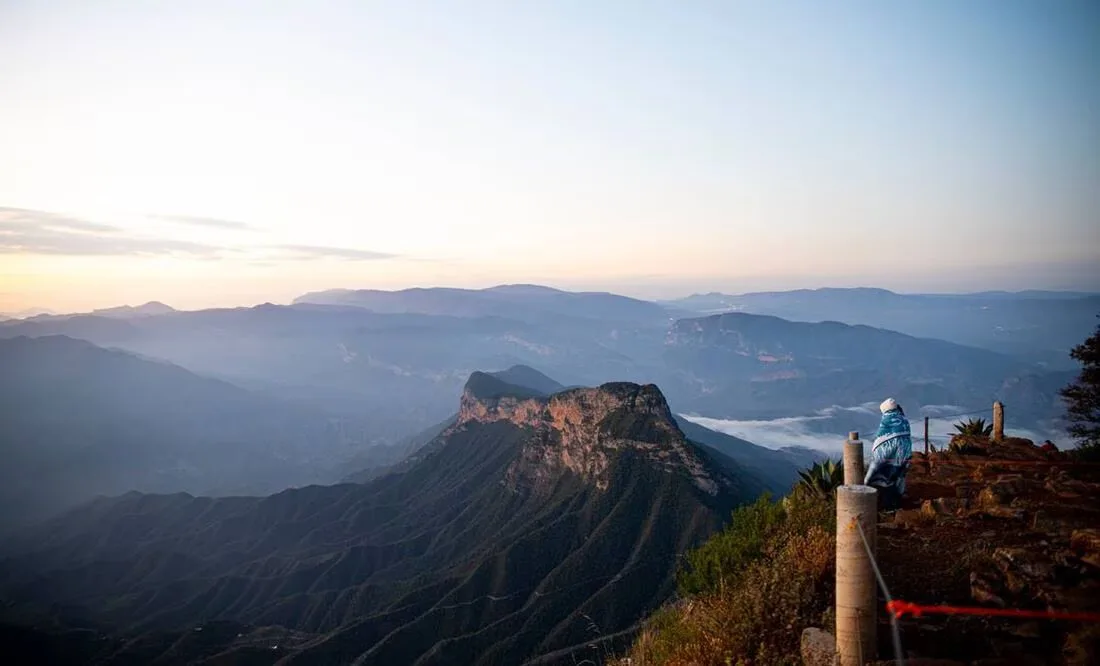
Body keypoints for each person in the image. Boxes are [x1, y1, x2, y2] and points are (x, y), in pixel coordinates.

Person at [864, 398, 912, 510]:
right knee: (897, 476)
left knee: (880, 475)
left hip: (888, 454)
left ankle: (882, 504)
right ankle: (896, 501)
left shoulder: (887, 420)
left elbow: (881, 440)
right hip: (903, 454)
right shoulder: (903, 419)